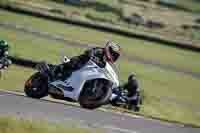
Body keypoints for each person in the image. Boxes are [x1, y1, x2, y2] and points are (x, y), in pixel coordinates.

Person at [53, 41, 121, 79]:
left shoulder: (106, 62)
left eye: (115, 56)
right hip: (81, 62)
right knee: (76, 65)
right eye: (113, 54)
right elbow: (89, 52)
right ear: (109, 50)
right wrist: (91, 55)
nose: (113, 57)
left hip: (88, 71)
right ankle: (58, 70)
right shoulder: (100, 50)